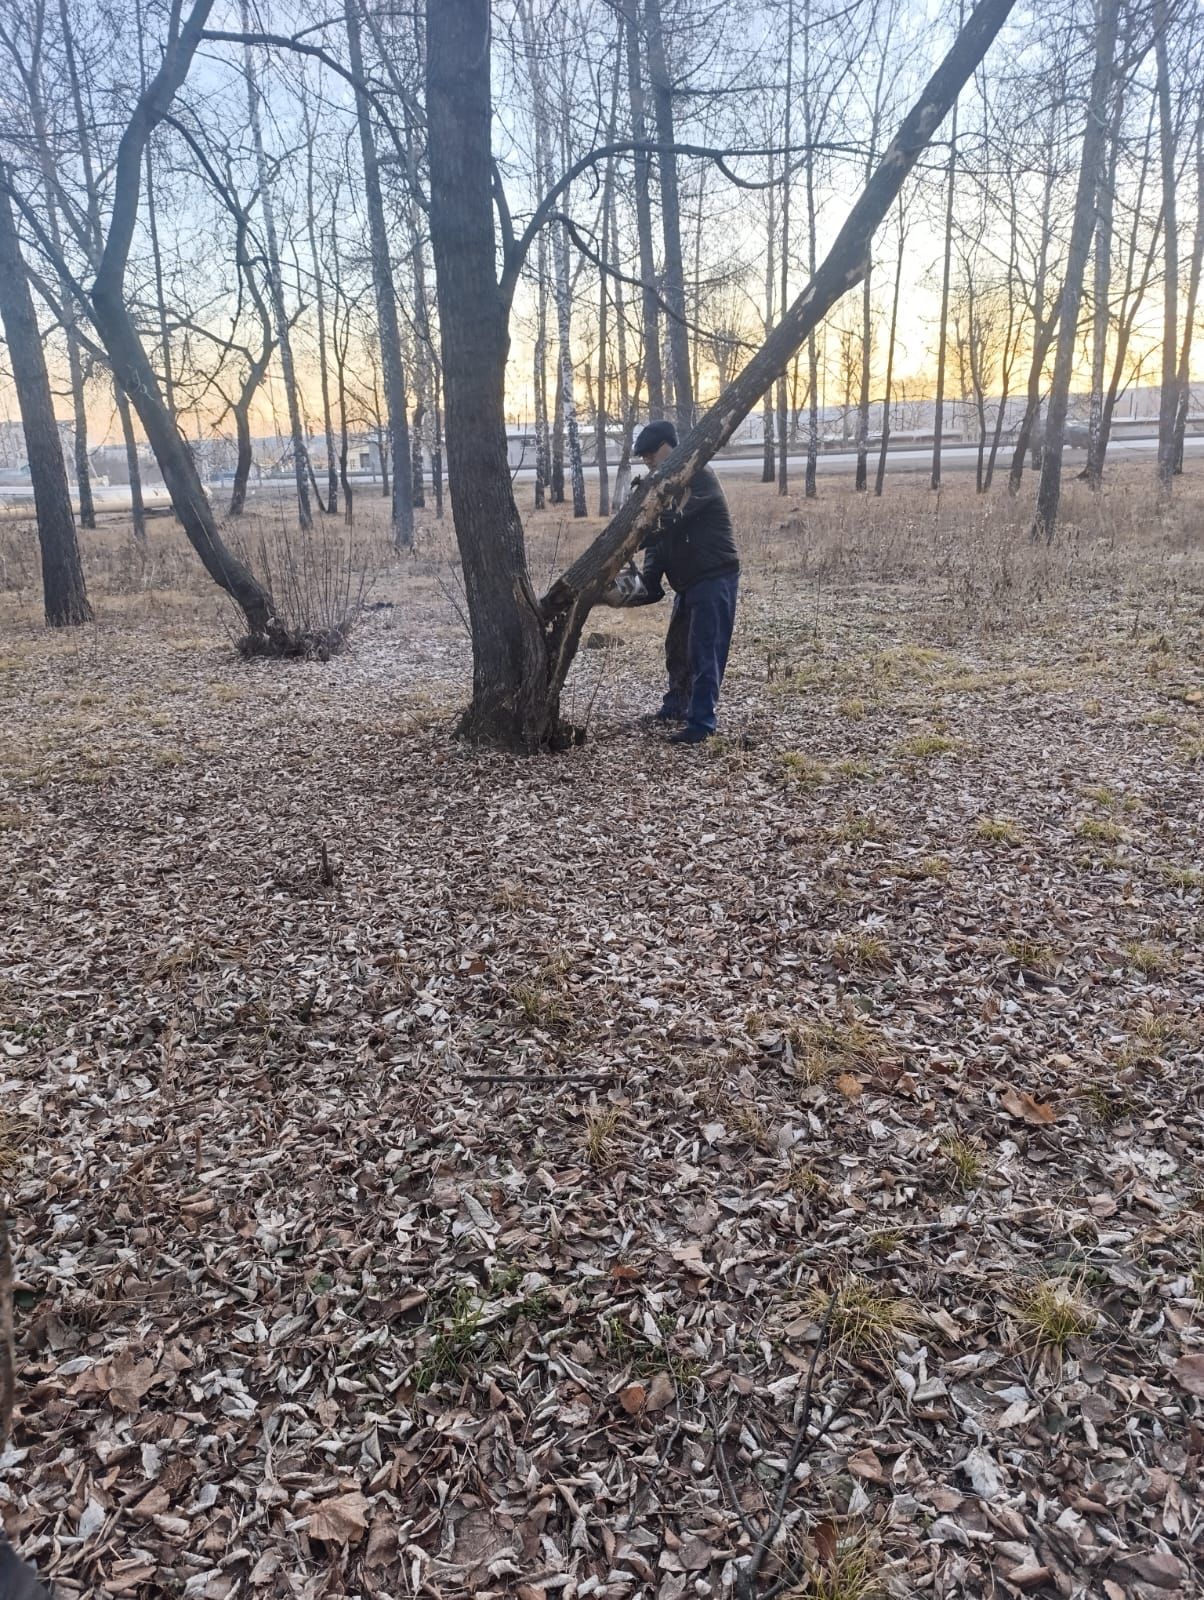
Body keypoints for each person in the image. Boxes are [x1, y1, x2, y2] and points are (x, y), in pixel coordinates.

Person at [629, 420, 740, 745]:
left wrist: (635, 535)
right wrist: (612, 592)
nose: (648, 459)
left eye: (652, 452)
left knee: (705, 649)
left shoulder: (698, 478)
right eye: (644, 455)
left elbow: (669, 522)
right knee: (677, 649)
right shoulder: (659, 501)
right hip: (688, 584)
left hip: (714, 575)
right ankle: (676, 705)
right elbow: (650, 584)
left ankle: (701, 724)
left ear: (670, 446)